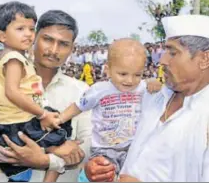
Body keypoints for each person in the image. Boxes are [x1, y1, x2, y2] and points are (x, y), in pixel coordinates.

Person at [84, 15, 209, 182]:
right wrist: (97, 167)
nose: (162, 60)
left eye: (172, 52)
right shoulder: (151, 97)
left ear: (204, 59)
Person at [0, 10, 91, 182]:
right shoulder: (3, 81)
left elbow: (86, 149)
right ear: (34, 38)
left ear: (72, 49)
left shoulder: (81, 91)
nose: (53, 50)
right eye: (47, 39)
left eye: (63, 44)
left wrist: (45, 160)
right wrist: (51, 150)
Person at [57, 38, 161, 180]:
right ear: (108, 69)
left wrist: (155, 83)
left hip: (134, 147)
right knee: (105, 176)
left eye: (137, 75)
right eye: (123, 74)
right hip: (104, 150)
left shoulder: (143, 88)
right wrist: (59, 119)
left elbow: (164, 95)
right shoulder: (99, 90)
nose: (130, 81)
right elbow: (78, 106)